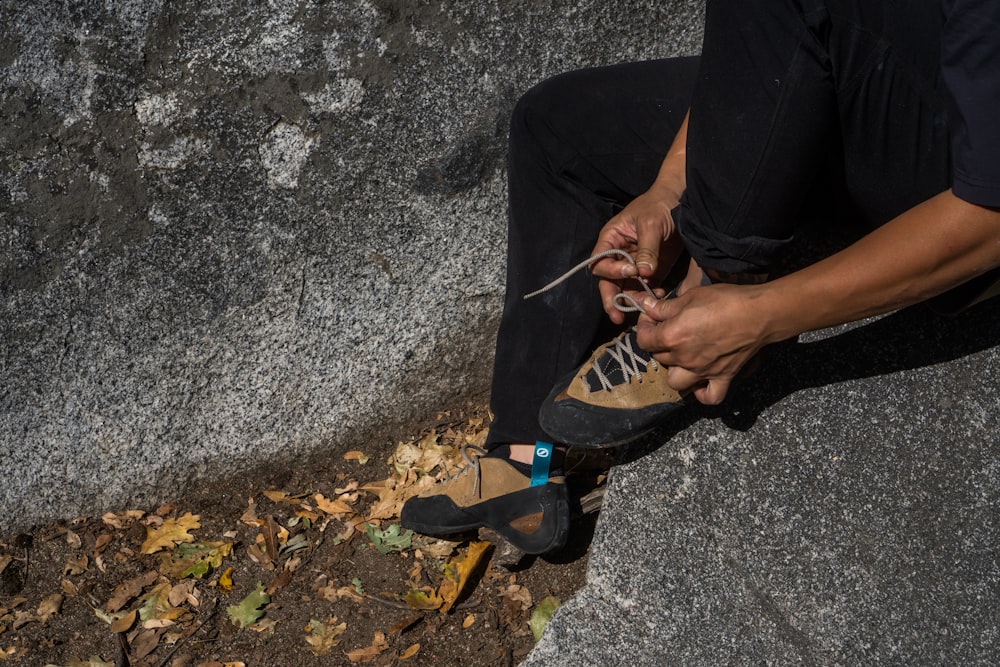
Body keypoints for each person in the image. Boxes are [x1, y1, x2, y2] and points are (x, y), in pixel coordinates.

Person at [400, 0, 1000, 554]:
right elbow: (760, 46)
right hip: (867, 79)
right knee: (553, 124)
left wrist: (761, 313)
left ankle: (707, 290)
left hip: (956, 170)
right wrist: (669, 190)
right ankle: (524, 463)